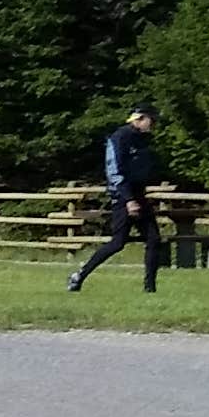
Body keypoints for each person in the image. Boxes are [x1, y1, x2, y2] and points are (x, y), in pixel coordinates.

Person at [69, 107, 171, 292]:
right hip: (123, 196)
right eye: (152, 120)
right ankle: (80, 275)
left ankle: (150, 288)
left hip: (140, 194)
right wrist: (129, 200)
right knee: (118, 243)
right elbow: (115, 172)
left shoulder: (142, 140)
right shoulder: (119, 138)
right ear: (139, 119)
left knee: (154, 239)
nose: (154, 125)